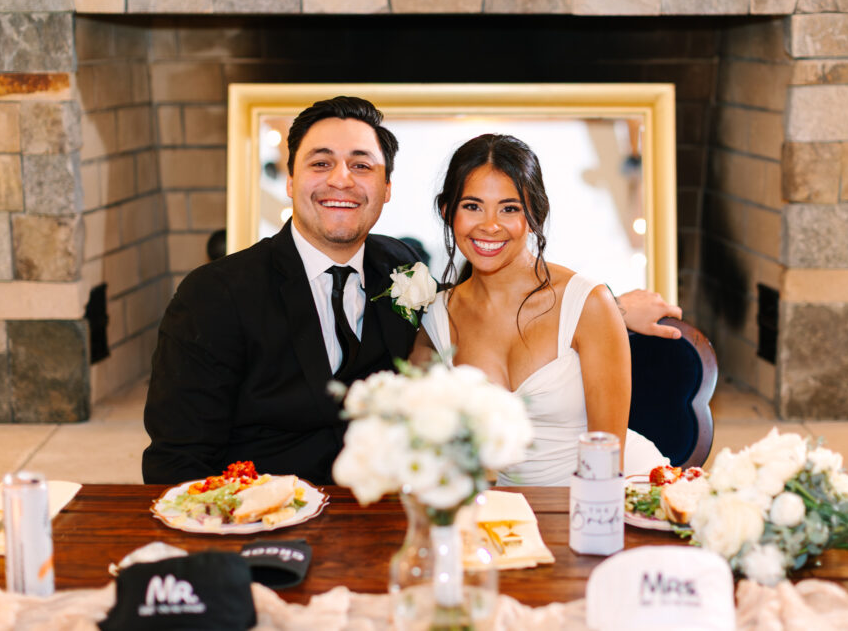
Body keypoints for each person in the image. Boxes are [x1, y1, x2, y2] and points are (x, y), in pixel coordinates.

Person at [143, 96, 680, 486]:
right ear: (289, 180)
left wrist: (601, 305)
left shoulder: (398, 268)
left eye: (361, 165)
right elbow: (177, 460)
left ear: (385, 189)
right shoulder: (214, 294)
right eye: (321, 163)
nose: (341, 181)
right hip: (267, 512)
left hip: (554, 497)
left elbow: (506, 301)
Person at [411, 134, 667, 486]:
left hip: (602, 495)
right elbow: (427, 451)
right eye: (472, 206)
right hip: (503, 515)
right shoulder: (437, 320)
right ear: (447, 211)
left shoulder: (588, 304)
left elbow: (609, 460)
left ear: (534, 215)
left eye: (509, 208)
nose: (490, 225)